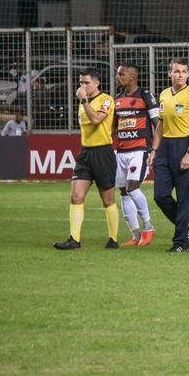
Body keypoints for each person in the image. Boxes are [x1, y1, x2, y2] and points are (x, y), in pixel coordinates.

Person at [53, 68, 120, 250]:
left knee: (107, 200)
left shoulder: (106, 99)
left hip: (103, 153)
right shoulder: (85, 102)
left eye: (86, 83)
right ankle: (74, 239)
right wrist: (84, 101)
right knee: (76, 196)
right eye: (81, 82)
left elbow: (97, 120)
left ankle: (113, 239)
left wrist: (84, 100)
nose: (82, 86)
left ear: (97, 83)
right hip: (85, 154)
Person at [152, 58, 189, 252]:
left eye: (183, 71)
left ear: (188, 75)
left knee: (183, 198)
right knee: (160, 195)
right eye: (176, 71)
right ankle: (188, 225)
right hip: (165, 147)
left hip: (183, 145)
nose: (180, 74)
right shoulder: (164, 94)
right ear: (169, 74)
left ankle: (180, 242)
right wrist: (154, 150)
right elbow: (161, 125)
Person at [112, 63, 160, 247]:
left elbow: (157, 124)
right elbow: (114, 127)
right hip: (121, 151)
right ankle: (135, 234)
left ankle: (148, 226)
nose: (118, 77)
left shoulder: (145, 96)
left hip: (139, 150)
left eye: (121, 74)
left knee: (132, 187)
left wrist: (154, 150)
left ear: (131, 77)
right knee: (124, 191)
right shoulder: (118, 99)